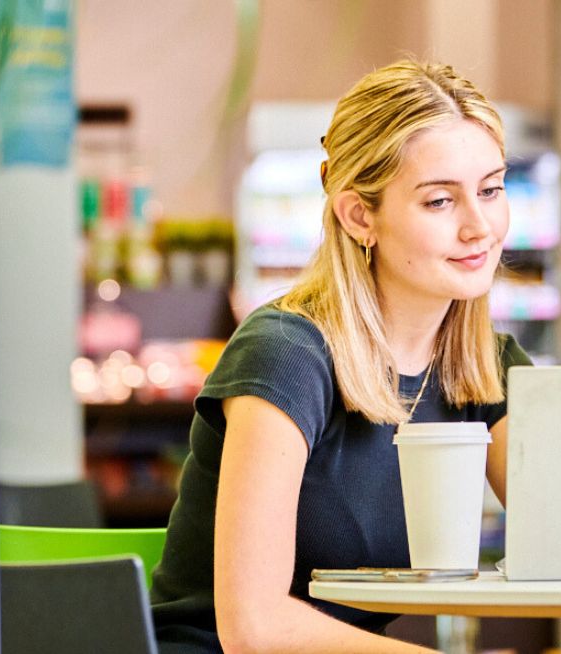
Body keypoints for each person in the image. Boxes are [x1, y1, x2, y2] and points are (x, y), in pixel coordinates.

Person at [149, 59, 529, 653]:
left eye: (491, 189)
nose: (480, 226)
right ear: (359, 216)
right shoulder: (286, 354)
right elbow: (254, 627)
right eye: (439, 201)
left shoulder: (484, 366)